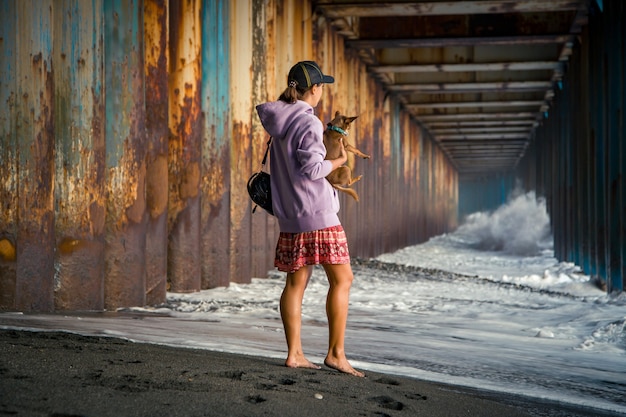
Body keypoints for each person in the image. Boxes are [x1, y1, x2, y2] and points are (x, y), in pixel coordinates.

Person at [256, 61, 364, 377]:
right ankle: (336, 354)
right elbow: (313, 169)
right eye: (321, 87)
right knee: (343, 280)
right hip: (318, 214)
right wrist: (341, 160)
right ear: (314, 89)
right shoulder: (309, 123)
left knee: (296, 282)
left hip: (290, 215)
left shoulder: (279, 123)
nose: (321, 93)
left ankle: (295, 354)